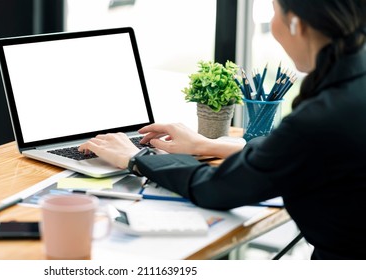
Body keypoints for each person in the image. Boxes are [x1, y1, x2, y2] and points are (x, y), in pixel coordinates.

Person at [79, 0, 366, 260]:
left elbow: (216, 188)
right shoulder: (350, 90)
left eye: (274, 11)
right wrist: (208, 145)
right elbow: (301, 151)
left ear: (296, 23)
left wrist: (136, 157)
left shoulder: (321, 118)